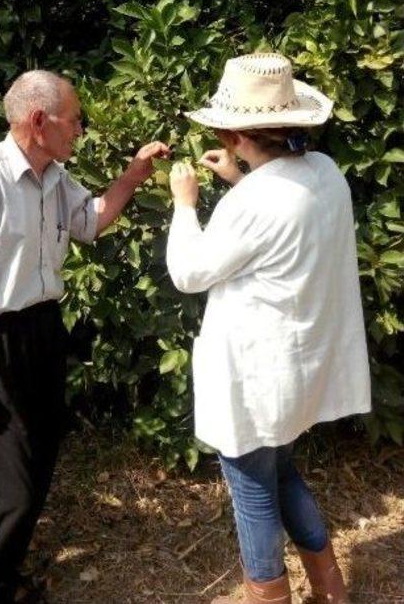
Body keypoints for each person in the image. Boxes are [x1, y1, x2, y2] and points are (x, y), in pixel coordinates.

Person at [0, 69, 169, 604]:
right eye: (74, 119)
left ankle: (0, 582)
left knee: (38, 467)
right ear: (39, 120)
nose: (80, 129)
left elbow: (91, 222)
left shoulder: (56, 177)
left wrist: (133, 174)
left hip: (42, 332)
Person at [166, 53, 371, 604]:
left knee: (253, 488)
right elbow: (283, 219)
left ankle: (269, 596)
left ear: (234, 133)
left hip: (254, 376)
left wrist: (185, 205)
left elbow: (189, 272)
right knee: (280, 470)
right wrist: (238, 179)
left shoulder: (253, 202)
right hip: (297, 368)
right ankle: (331, 588)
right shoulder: (325, 174)